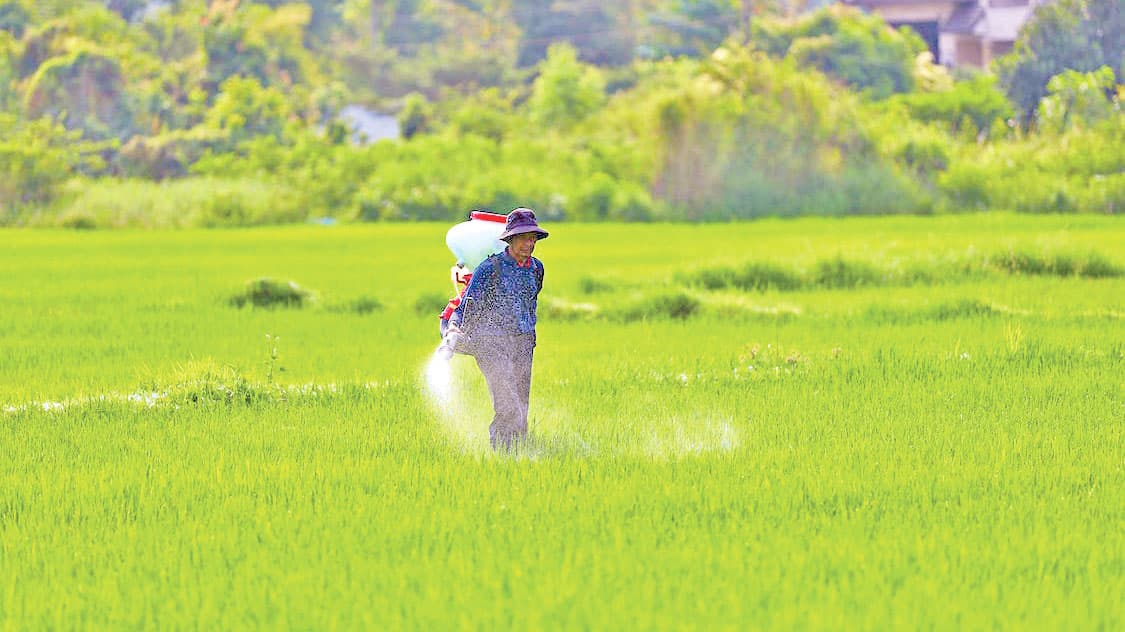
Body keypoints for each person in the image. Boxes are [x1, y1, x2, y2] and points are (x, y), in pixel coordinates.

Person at [447, 209, 548, 450]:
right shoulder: (490, 268)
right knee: (508, 403)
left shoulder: (537, 268)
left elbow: (530, 300)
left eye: (533, 238)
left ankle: (520, 451)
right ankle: (501, 454)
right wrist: (454, 329)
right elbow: (467, 306)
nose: (529, 243)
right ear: (510, 239)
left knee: (521, 404)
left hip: (523, 342)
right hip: (491, 343)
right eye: (524, 237)